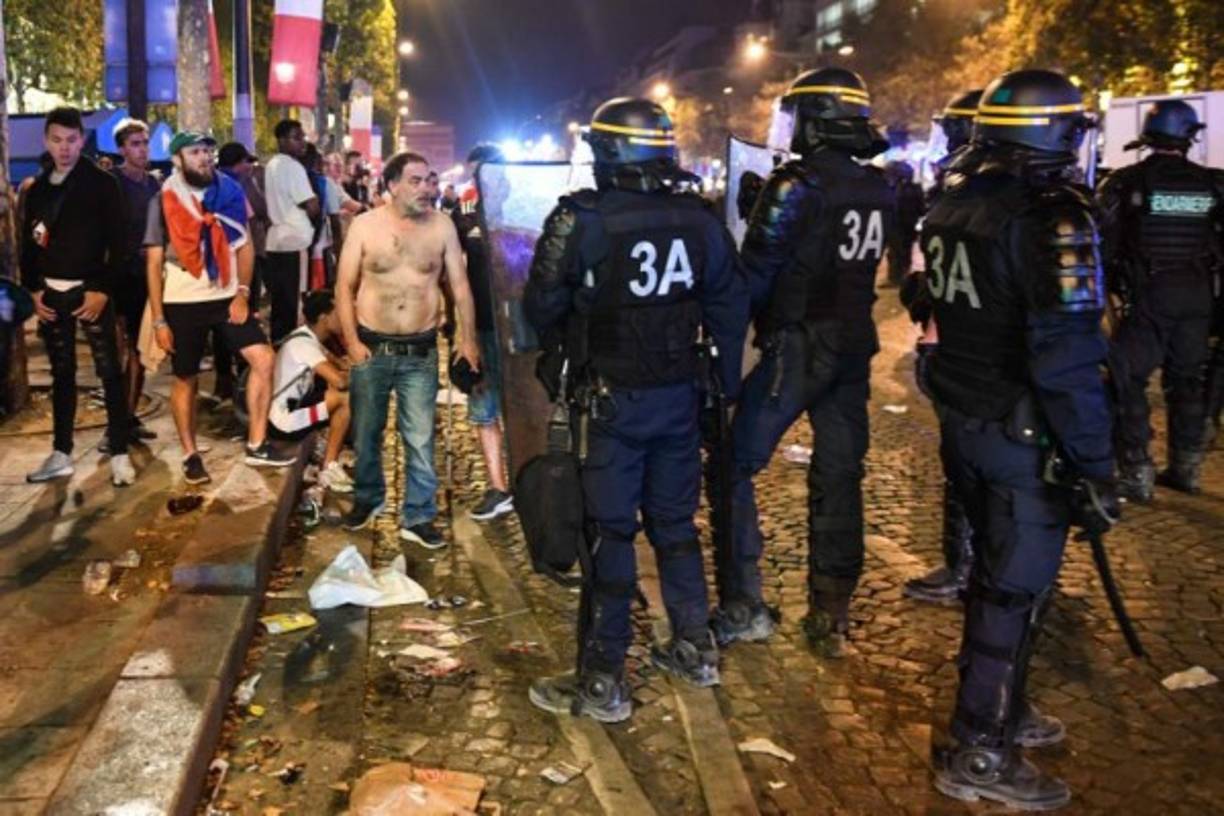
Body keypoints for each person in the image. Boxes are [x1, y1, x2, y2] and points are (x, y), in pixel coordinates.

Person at [922, 69, 1118, 810]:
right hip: (1023, 435)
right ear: (1054, 132)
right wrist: (1096, 461)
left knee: (997, 583)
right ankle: (979, 751)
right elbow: (1068, 356)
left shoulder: (953, 202)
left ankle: (1006, 708)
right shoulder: (1052, 219)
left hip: (967, 421)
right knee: (1013, 591)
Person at [523, 98, 748, 723]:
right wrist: (724, 388)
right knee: (676, 527)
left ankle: (602, 678)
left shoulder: (582, 219)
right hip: (680, 400)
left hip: (611, 404)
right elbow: (731, 306)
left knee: (610, 534)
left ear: (608, 152)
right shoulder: (698, 219)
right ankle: (695, 646)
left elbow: (540, 307)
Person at [710, 68, 894, 655]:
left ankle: (743, 603)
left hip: (798, 349)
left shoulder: (796, 185)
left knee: (735, 465)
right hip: (854, 347)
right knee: (840, 477)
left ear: (814, 120)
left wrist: (724, 367)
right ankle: (831, 615)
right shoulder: (878, 187)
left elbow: (756, 278)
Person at [335, 151, 481, 548]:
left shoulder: (443, 226)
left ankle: (418, 516)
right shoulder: (365, 226)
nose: (427, 189)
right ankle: (368, 499)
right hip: (372, 346)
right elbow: (344, 288)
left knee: (419, 438)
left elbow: (460, 287)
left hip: (421, 349)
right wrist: (350, 341)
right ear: (392, 185)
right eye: (415, 181)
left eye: (430, 180)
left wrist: (467, 339)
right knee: (366, 433)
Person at [145, 131, 295, 484]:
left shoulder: (229, 192)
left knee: (264, 359)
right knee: (186, 377)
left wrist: (242, 294)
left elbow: (243, 247)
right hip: (182, 300)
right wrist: (158, 321)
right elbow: (153, 264)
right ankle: (190, 453)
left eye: (207, 151)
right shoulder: (163, 200)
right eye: (195, 152)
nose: (204, 157)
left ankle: (257, 443)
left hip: (226, 296)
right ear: (178, 158)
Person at [1097, 99, 1223, 500]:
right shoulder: (1215, 184)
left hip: (1152, 294)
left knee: (1126, 376)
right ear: (1189, 136)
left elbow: (1103, 244)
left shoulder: (1125, 182)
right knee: (1187, 380)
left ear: (1149, 137)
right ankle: (1186, 469)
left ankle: (1137, 470)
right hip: (1199, 295)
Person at [21, 107, 134, 486]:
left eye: (71, 140)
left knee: (109, 373)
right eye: (56, 140)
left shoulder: (103, 184)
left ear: (82, 140)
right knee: (62, 375)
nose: (64, 148)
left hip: (91, 293)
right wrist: (33, 290)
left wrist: (102, 290)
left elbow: (120, 245)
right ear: (46, 141)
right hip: (51, 295)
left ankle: (119, 451)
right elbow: (28, 246)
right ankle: (61, 451)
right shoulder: (36, 190)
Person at [901, 89, 982, 604]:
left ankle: (963, 568)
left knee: (967, 467)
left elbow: (922, 284)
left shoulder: (956, 197)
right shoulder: (1047, 197)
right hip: (1016, 358)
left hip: (956, 352)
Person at [452, 144, 514, 521]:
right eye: (475, 175)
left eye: (486, 173)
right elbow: (455, 276)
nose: (481, 182)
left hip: (522, 330)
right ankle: (498, 487)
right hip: (483, 327)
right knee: (484, 409)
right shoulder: (465, 218)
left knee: (525, 408)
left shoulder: (528, 211)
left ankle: (532, 479)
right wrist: (463, 333)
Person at [270, 289, 352, 493]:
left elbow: (340, 364)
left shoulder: (307, 337)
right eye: (337, 314)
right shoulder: (304, 344)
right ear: (324, 318)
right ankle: (328, 467)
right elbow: (340, 381)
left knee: (338, 390)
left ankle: (327, 451)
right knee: (345, 398)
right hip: (284, 421)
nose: (343, 318)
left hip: (292, 408)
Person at [110, 117, 162, 444]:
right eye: (135, 144)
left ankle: (129, 418)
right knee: (119, 353)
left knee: (141, 351)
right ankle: (117, 422)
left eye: (144, 143)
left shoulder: (154, 184)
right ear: (122, 149)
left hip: (147, 277)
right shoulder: (112, 182)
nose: (142, 149)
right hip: (119, 277)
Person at [264, 120, 320, 342]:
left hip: (276, 240)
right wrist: (313, 209)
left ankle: (279, 348)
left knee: (280, 304)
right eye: (297, 137)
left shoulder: (272, 165)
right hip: (295, 240)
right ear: (282, 140)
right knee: (294, 305)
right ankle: (291, 353)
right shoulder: (292, 166)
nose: (302, 143)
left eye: (302, 137)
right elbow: (311, 205)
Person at [885, 160, 924, 286]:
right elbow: (921, 209)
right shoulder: (913, 189)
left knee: (898, 252)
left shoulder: (896, 189)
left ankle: (897, 278)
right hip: (905, 224)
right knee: (899, 252)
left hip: (901, 224)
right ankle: (897, 277)